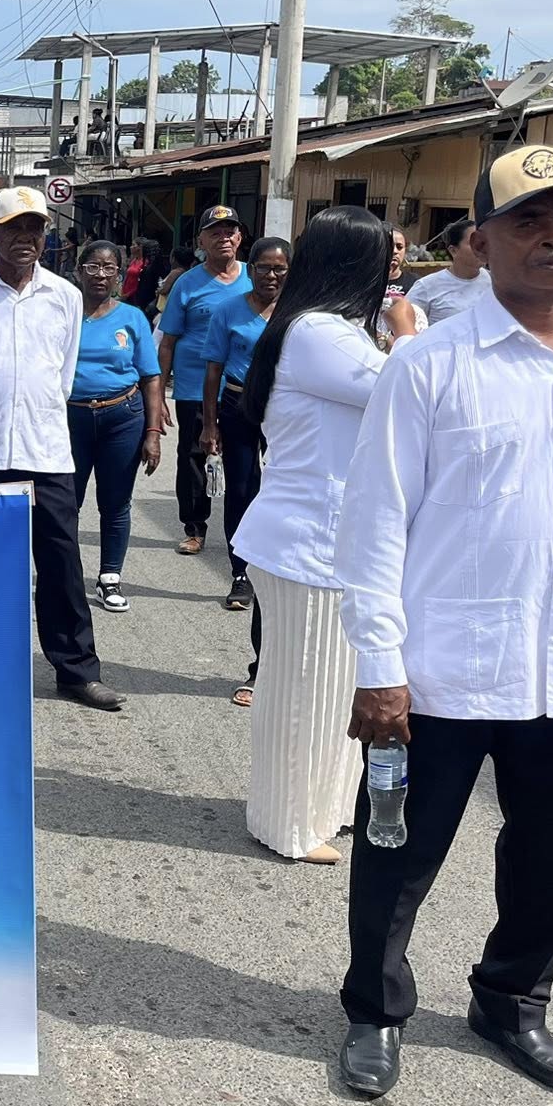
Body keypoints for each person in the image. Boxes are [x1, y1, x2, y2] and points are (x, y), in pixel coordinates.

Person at [333, 145, 553, 1100]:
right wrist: (379, 666)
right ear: (481, 242)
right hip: (439, 671)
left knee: (548, 862)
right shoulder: (429, 365)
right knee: (398, 853)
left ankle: (512, 1001)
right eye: (528, 219)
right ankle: (375, 1009)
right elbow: (373, 524)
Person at [229, 209, 413, 859]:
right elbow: (406, 389)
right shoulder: (316, 332)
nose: (392, 271)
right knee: (305, 691)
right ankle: (289, 825)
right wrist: (408, 331)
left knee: (333, 687)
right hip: (308, 543)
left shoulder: (330, 330)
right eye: (383, 260)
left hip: (330, 542)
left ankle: (324, 810)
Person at [0, 188, 122, 711]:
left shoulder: (64, 297)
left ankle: (76, 670)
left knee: (60, 563)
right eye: (13, 227)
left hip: (44, 451)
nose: (25, 238)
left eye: (34, 227)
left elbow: (62, 377)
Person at [67, 241, 164, 614]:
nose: (100, 275)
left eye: (109, 268)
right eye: (93, 267)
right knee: (65, 503)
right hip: (70, 419)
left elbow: (151, 376)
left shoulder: (133, 317)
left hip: (122, 418)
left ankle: (110, 577)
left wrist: (152, 433)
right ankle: (65, 575)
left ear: (120, 275)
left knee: (115, 501)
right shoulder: (63, 313)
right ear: (79, 271)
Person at [201, 237, 291, 616]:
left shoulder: (296, 312)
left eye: (279, 269)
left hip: (284, 408)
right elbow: (213, 370)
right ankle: (240, 572)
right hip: (238, 405)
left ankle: (277, 564)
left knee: (282, 485)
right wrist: (209, 426)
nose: (271, 275)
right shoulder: (228, 311)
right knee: (241, 489)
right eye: (263, 268)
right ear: (250, 269)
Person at [158, 205, 252, 555]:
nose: (223, 237)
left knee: (243, 460)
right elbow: (167, 342)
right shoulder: (187, 283)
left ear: (240, 238)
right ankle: (195, 527)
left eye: (230, 231)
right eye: (215, 232)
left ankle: (244, 533)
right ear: (201, 241)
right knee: (194, 456)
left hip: (243, 387)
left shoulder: (255, 277)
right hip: (194, 387)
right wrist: (158, 395)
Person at [405, 217, 491, 326]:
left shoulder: (496, 282)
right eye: (473, 243)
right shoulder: (427, 286)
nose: (482, 248)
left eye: (484, 242)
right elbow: (403, 321)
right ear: (453, 250)